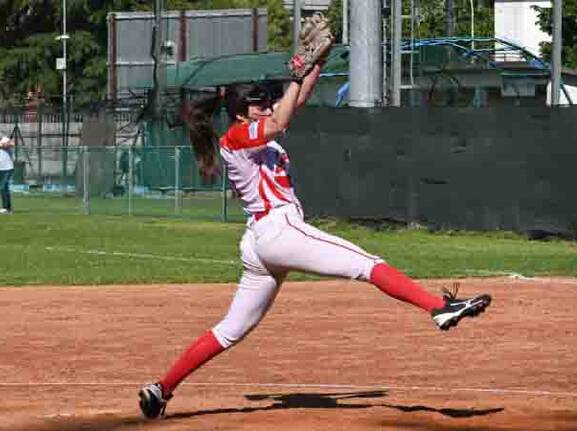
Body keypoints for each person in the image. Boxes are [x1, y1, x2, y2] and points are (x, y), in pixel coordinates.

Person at [138, 61, 492, 419]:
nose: (266, 106)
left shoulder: (254, 128)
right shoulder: (236, 137)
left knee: (230, 330)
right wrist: (295, 78)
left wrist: (313, 65)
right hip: (280, 229)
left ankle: (161, 389)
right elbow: (279, 121)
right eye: (258, 104)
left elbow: (295, 104)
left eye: (266, 102)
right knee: (367, 264)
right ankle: (438, 308)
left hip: (261, 242)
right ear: (241, 113)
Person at [0, 135, 15, 214]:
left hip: (7, 168)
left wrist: (4, 145)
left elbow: (11, 144)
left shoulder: (5, 139)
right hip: (1, 169)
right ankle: (8, 208)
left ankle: (6, 207)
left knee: (3, 187)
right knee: (4, 188)